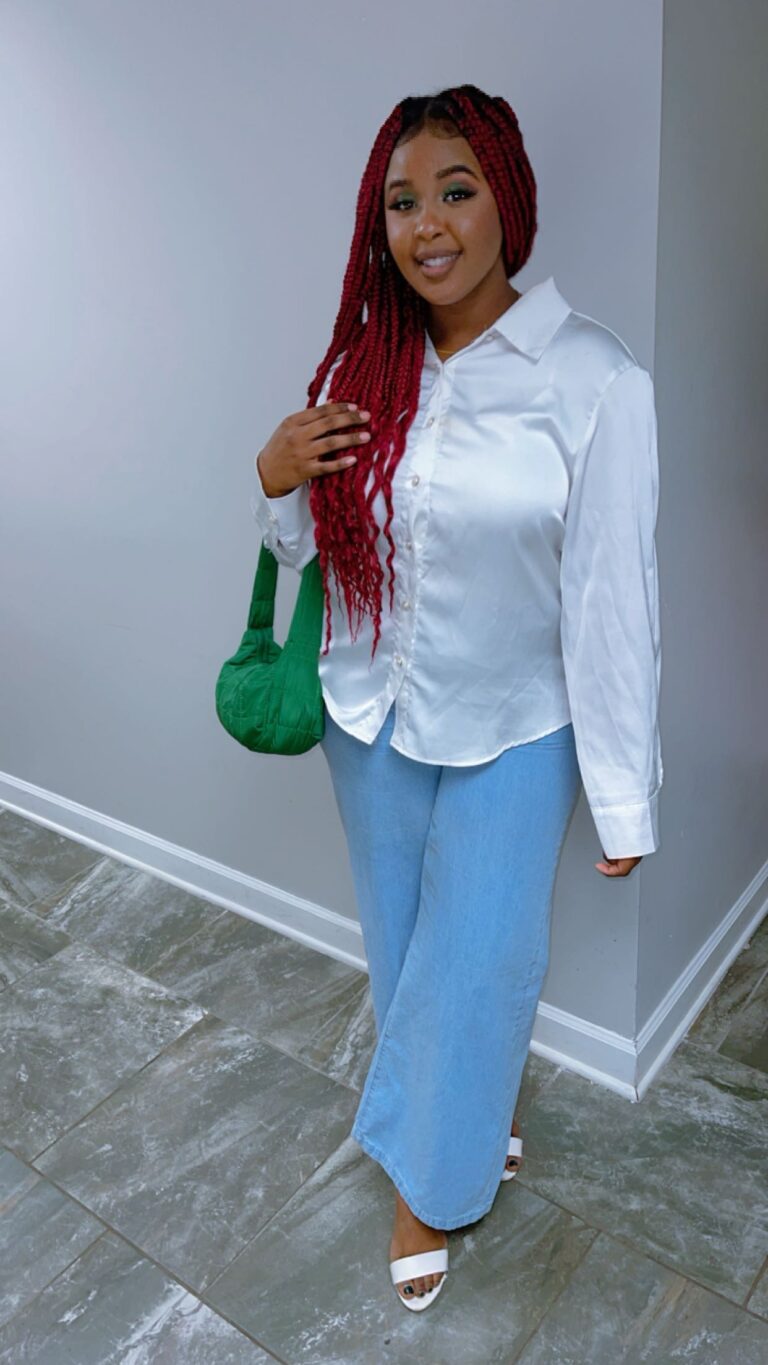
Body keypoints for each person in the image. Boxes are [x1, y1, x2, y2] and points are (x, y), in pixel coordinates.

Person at [250, 84, 663, 1312]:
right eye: (401, 201)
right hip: (367, 716)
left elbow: (610, 599)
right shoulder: (359, 361)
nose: (428, 225)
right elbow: (306, 559)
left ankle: (430, 1186)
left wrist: (625, 796)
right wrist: (273, 481)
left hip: (516, 731)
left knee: (481, 966)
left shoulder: (595, 381)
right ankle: (475, 1115)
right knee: (407, 960)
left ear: (507, 201)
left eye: (456, 191)